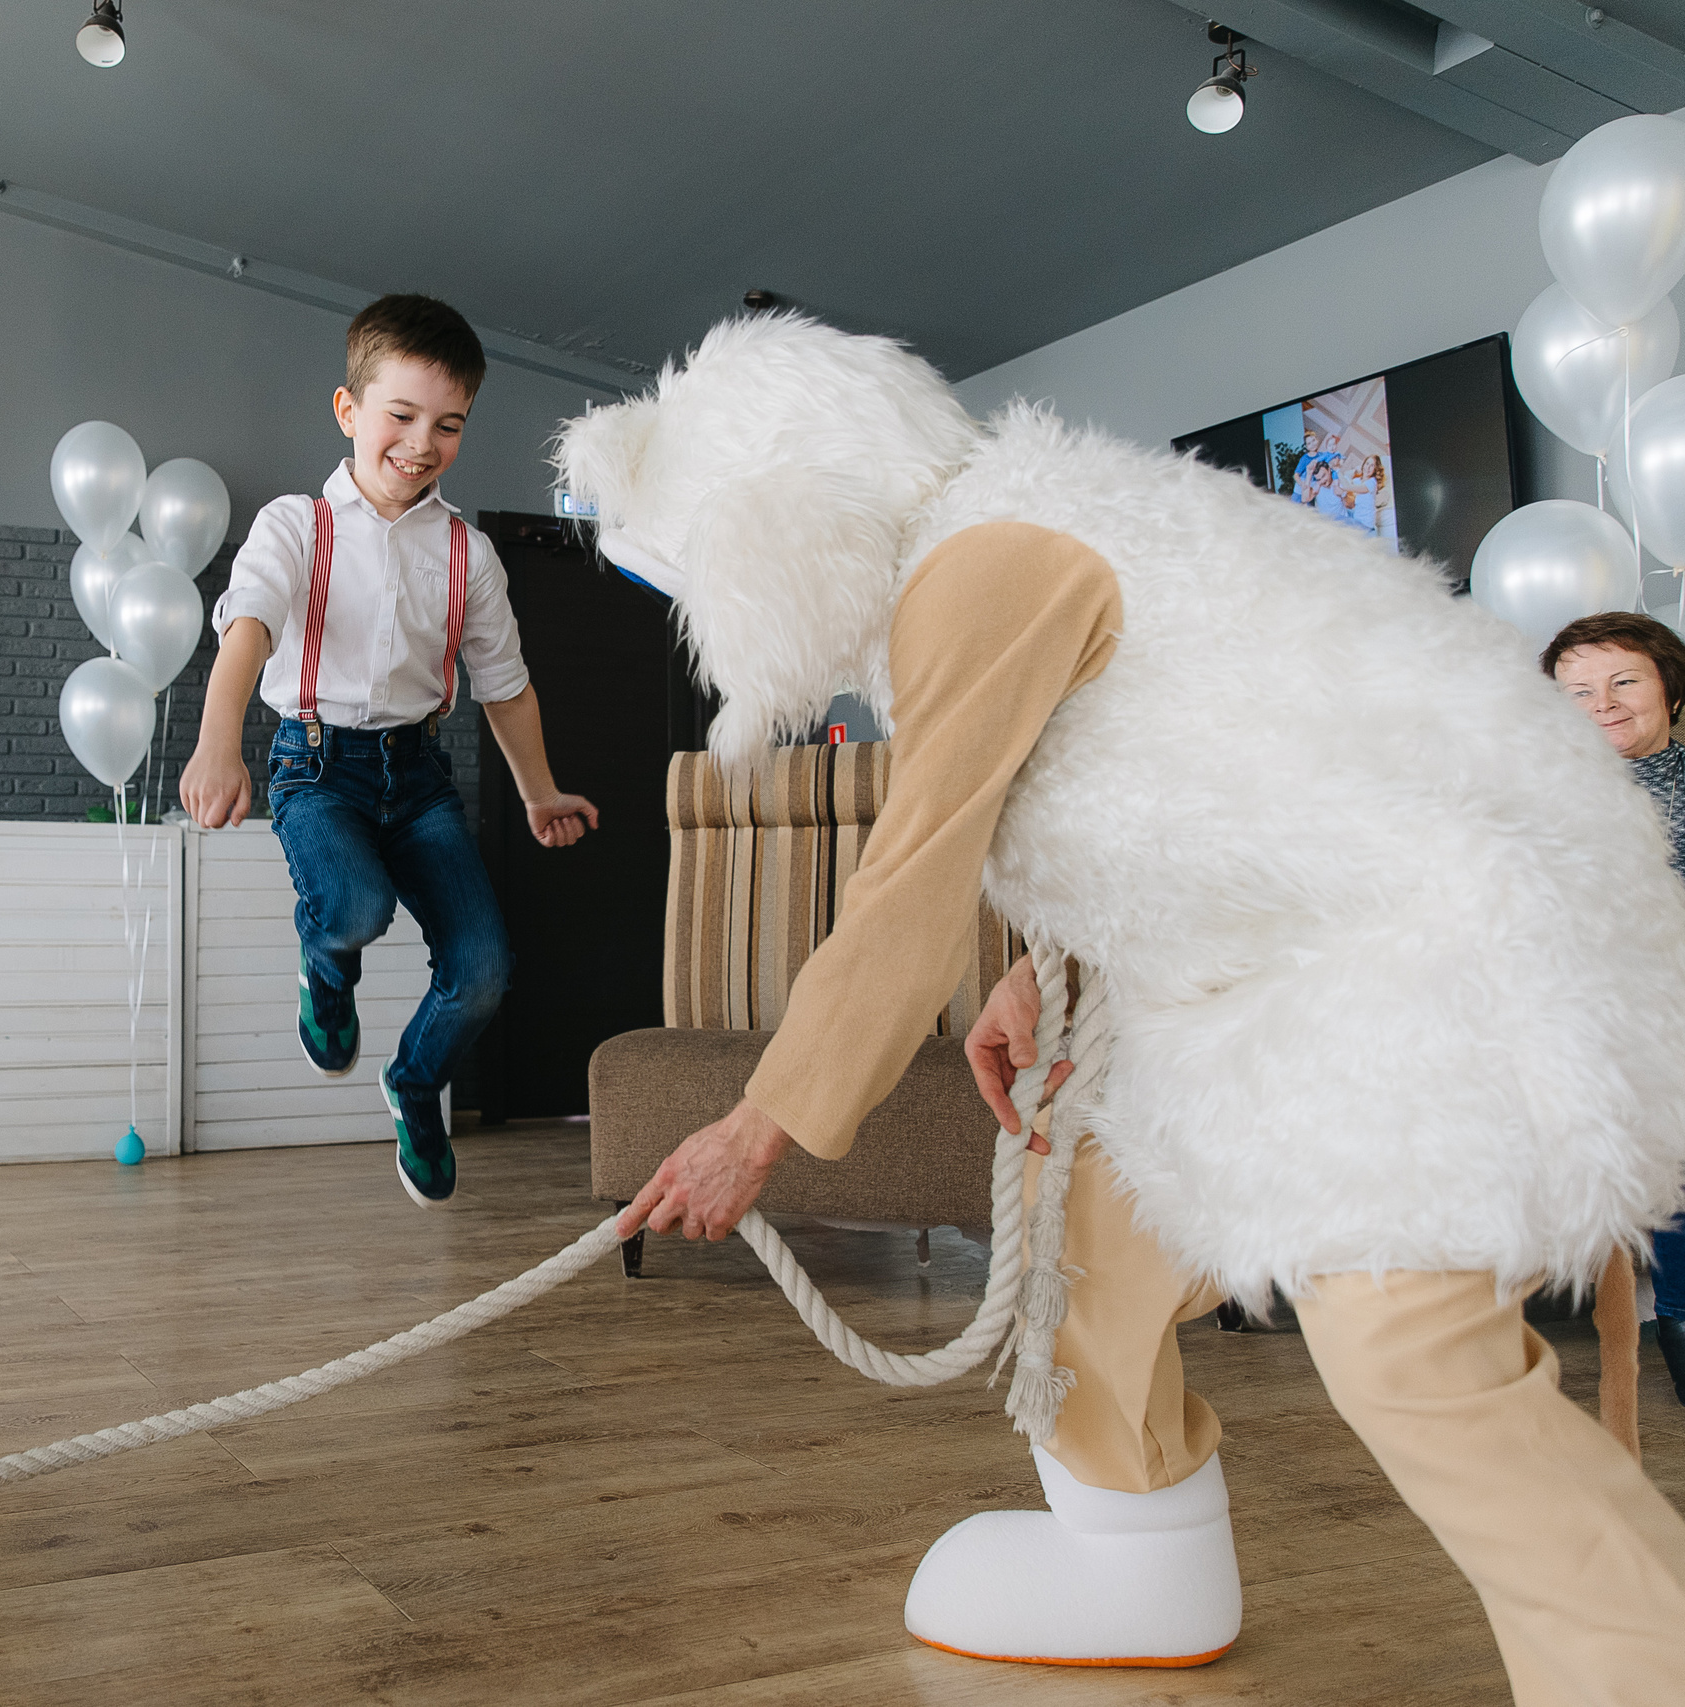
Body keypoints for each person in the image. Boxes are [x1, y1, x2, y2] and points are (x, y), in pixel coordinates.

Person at [565, 313, 1685, 1690]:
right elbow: (1205, 767)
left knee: (1408, 1350)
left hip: (1445, 952)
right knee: (1089, 1240)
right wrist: (1048, 967)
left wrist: (758, 1126)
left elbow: (911, 873)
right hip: (1275, 962)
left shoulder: (986, 562)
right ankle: (1137, 1558)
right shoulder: (1011, 530)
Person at [177, 293, 599, 1206]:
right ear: (349, 411)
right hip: (315, 768)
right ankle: (324, 967)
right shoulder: (298, 525)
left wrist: (539, 792)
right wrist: (220, 746)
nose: (421, 443)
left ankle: (414, 1081)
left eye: (448, 425)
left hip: (419, 779)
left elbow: (507, 685)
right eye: (401, 416)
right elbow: (247, 628)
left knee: (485, 967)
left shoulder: (468, 555)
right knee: (355, 907)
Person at [1545, 609, 1685, 1407]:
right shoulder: (1534, 806)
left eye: (1624, 678)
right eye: (1577, 691)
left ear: (1667, 683)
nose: (1603, 702)